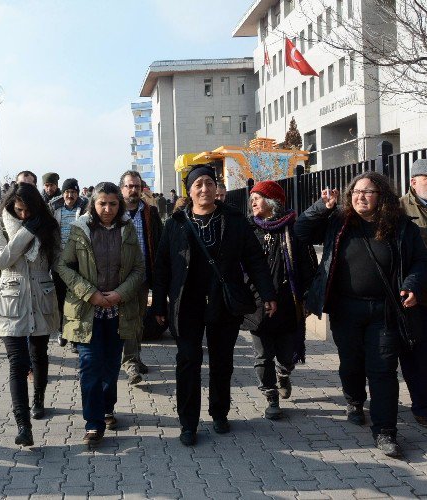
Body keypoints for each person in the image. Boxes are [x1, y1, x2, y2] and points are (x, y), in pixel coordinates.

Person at [294, 171, 427, 457]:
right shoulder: (339, 222)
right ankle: (354, 400)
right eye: (355, 192)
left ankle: (386, 432)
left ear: (383, 197)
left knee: (383, 370)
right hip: (346, 309)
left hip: (386, 310)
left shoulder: (401, 227)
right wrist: (322, 207)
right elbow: (301, 232)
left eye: (367, 192)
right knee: (351, 363)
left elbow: (420, 261)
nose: (360, 197)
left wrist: (413, 285)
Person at [152, 164, 276, 446]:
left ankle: (219, 412)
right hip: (187, 304)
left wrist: (268, 294)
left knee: (222, 361)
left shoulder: (234, 220)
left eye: (209, 183)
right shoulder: (176, 224)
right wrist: (159, 305)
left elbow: (255, 259)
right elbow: (161, 267)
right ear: (190, 191)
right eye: (198, 185)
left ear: (216, 186)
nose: (205, 189)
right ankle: (188, 423)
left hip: (223, 302)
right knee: (187, 362)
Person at [56, 182, 145, 446]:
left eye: (113, 203)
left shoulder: (126, 229)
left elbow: (139, 270)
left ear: (119, 205)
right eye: (102, 203)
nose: (107, 209)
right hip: (86, 311)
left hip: (119, 310)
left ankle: (107, 408)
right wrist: (89, 293)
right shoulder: (80, 229)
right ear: (93, 204)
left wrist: (119, 294)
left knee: (109, 366)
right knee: (89, 365)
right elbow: (63, 265)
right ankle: (93, 424)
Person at [0, 182, 60, 447]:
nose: (23, 215)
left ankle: (39, 399)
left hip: (41, 297)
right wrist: (24, 233)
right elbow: (1, 260)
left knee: (39, 355)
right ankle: (23, 425)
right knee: (17, 363)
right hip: (12, 298)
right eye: (18, 210)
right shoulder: (0, 225)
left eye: (28, 211)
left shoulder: (49, 226)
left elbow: (58, 261)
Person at [246, 181, 317, 420]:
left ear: (273, 202)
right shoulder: (250, 231)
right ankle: (270, 395)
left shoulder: (293, 231)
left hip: (288, 304)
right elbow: (241, 267)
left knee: (287, 354)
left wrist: (307, 298)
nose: (253, 202)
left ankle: (283, 373)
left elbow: (308, 267)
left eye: (258, 197)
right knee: (263, 355)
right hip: (257, 305)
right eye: (252, 198)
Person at [119, 170, 163, 384]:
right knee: (127, 319)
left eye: (136, 186)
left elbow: (159, 241)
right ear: (122, 189)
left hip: (144, 275)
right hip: (121, 277)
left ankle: (135, 357)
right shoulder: (115, 212)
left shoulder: (149, 213)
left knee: (138, 319)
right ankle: (130, 363)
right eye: (129, 186)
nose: (133, 190)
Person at [398, 159, 427, 427]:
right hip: (415, 294)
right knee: (416, 353)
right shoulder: (400, 209)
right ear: (414, 182)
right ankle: (421, 405)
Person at [49, 178, 89, 348]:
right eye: (67, 192)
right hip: (59, 261)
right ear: (63, 193)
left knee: (75, 299)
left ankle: (73, 336)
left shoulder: (84, 209)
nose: (70, 196)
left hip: (77, 261)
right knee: (60, 299)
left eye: (73, 192)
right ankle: (61, 331)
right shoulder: (55, 209)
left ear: (77, 193)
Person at [0, 170, 37, 254]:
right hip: (7, 264)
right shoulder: (0, 208)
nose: (24, 188)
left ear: (35, 187)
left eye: (29, 185)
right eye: (21, 184)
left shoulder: (42, 208)